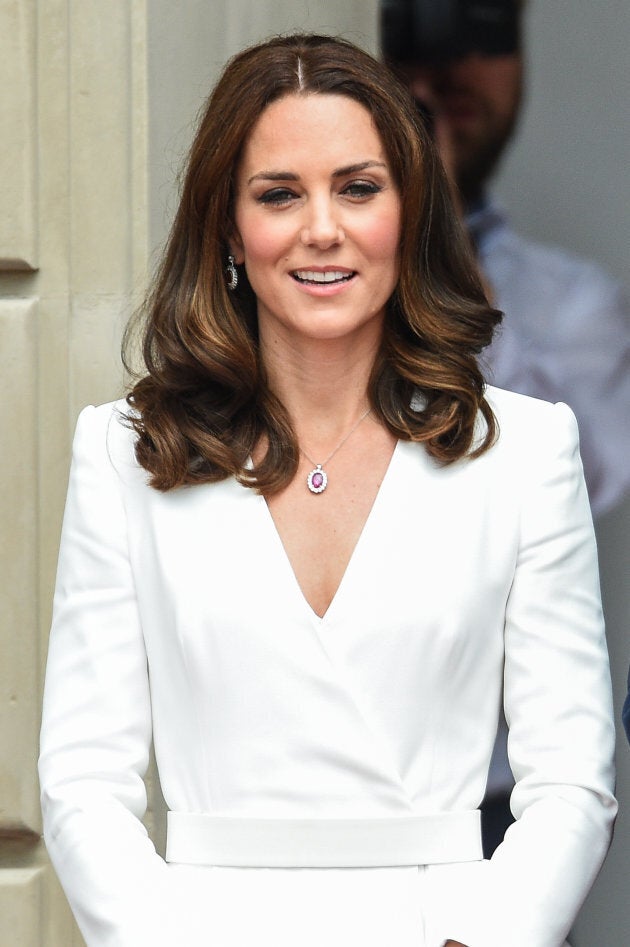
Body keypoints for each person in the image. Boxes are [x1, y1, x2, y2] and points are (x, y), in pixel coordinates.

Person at [39, 33, 616, 947]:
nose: (321, 227)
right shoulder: (126, 453)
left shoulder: (526, 451)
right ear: (229, 226)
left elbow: (572, 780)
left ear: (409, 208)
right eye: (279, 193)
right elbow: (82, 783)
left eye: (358, 187)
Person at [381, 0, 630, 858]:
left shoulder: (574, 304)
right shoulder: (303, 274)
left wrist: (439, 247)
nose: (450, 66)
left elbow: (572, 484)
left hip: (495, 808)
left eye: (483, 26)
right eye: (415, 25)